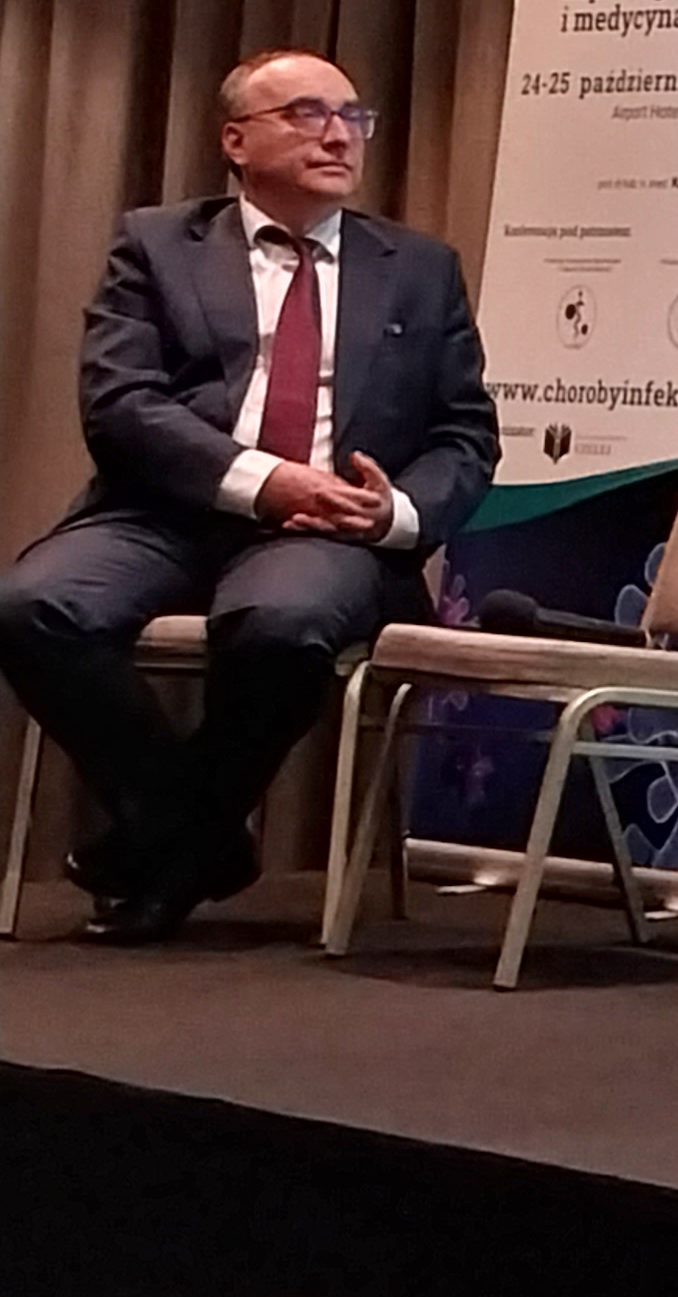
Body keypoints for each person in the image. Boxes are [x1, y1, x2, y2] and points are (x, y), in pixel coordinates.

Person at [0, 49, 495, 941]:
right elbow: (121, 403)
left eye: (352, 116)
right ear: (235, 141)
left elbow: (465, 434)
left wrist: (394, 513)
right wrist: (265, 480)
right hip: (164, 512)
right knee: (34, 605)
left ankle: (165, 850)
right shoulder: (158, 244)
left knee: (281, 622)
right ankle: (199, 836)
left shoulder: (420, 269)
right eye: (307, 114)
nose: (339, 135)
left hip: (329, 534)